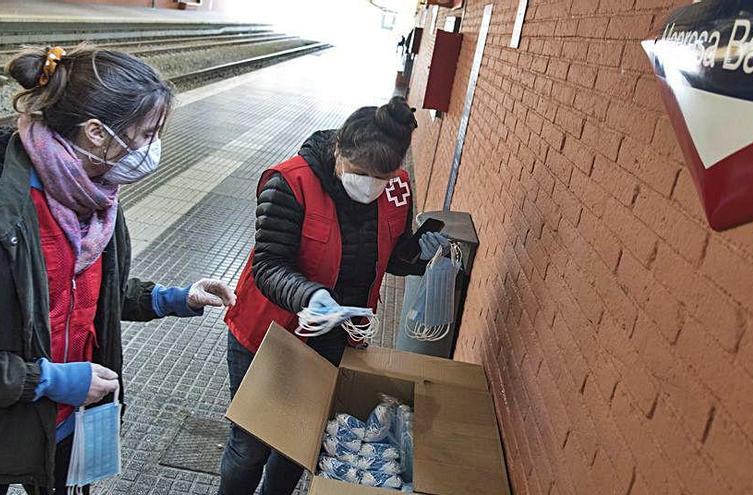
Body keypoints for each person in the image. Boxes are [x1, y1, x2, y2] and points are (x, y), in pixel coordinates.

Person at [0, 45, 236, 494]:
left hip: (73, 417)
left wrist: (171, 297)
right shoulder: (9, 210)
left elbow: (87, 290)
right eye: (147, 134)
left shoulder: (96, 193)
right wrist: (50, 380)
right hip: (14, 419)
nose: (153, 148)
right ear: (95, 132)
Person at [220, 96, 448, 495]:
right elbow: (268, 265)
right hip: (267, 335)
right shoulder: (290, 183)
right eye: (360, 173)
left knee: (297, 443)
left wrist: (416, 253)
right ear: (338, 149)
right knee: (250, 445)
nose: (370, 186)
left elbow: (391, 254)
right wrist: (310, 296)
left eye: (381, 177)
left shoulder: (396, 188)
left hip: (333, 340)